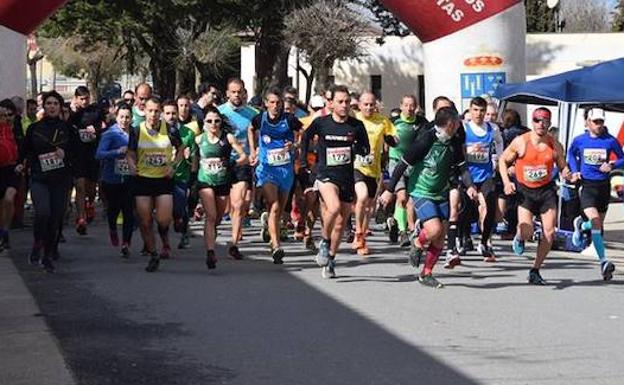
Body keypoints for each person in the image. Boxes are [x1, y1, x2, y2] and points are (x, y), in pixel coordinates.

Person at [379, 106, 477, 288]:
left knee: (440, 236)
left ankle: (426, 274)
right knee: (433, 230)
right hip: (421, 190)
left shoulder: (454, 140)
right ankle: (417, 242)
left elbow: (462, 166)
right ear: (448, 124)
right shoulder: (426, 140)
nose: (458, 126)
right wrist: (389, 189)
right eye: (455, 123)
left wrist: (470, 186)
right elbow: (402, 164)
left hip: (441, 191)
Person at [300, 85, 370, 278]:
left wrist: (362, 151)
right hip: (325, 174)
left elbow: (365, 147)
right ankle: (324, 240)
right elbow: (305, 137)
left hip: (346, 176)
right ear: (330, 104)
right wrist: (304, 161)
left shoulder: (356, 126)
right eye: (340, 101)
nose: (344, 105)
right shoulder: (322, 123)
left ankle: (330, 258)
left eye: (347, 102)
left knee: (341, 223)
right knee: (333, 207)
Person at [499, 107, 571, 285]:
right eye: (537, 120)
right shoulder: (521, 142)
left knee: (549, 232)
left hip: (546, 191)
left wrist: (568, 174)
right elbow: (502, 160)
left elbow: (563, 166)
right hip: (525, 191)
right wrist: (507, 182)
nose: (541, 124)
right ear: (532, 122)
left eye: (545, 120)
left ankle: (535, 269)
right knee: (527, 231)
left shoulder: (555, 145)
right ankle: (520, 236)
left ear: (549, 123)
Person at [17, 91, 74, 273]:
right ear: (44, 106)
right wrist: (20, 164)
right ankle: (37, 241)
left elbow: (76, 154)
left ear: (60, 107)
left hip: (60, 180)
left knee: (55, 217)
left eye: (55, 104)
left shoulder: (67, 129)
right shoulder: (34, 129)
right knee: (43, 213)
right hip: (39, 178)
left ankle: (48, 255)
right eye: (48, 103)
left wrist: (66, 155)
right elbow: (24, 151)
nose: (51, 107)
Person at [127, 97, 184, 272]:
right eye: (150, 111)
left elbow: (182, 149)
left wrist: (173, 166)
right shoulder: (136, 131)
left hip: (163, 180)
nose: (153, 114)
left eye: (156, 111)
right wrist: (131, 165)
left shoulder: (171, 130)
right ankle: (153, 254)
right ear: (144, 111)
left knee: (163, 220)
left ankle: (164, 236)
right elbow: (129, 153)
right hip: (143, 179)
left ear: (160, 112)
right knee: (145, 221)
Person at [568, 108, 624, 281]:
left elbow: (623, 157)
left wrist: (613, 165)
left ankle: (580, 225)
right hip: (587, 186)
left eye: (601, 122)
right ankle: (603, 261)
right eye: (595, 122)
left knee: (596, 226)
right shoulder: (580, 140)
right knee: (596, 221)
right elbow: (570, 154)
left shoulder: (609, 141)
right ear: (587, 122)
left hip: (603, 187)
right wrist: (575, 171)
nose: (599, 125)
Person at [249, 87, 302, 263]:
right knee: (274, 205)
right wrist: (253, 151)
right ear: (266, 104)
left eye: (278, 103)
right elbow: (250, 129)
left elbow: (302, 132)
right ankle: (277, 245)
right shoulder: (260, 118)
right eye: (272, 102)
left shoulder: (289, 119)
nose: (276, 106)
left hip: (285, 169)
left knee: (279, 210)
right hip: (267, 168)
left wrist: (294, 145)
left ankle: (271, 233)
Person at [196, 107, 247, 269]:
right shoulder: (199, 139)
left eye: (216, 121)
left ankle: (211, 237)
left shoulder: (228, 138)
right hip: (204, 181)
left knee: (217, 217)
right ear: (204, 123)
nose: (213, 124)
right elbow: (188, 154)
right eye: (209, 121)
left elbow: (244, 156)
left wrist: (233, 163)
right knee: (210, 216)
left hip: (223, 182)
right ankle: (210, 252)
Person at [352, 91, 398, 256]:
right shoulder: (354, 119)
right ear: (359, 105)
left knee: (369, 209)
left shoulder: (382, 121)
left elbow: (393, 135)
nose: (369, 107)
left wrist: (393, 140)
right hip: (357, 166)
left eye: (372, 104)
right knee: (362, 197)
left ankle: (362, 238)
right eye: (366, 104)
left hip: (375, 169)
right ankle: (357, 232)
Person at [218, 78, 258, 259]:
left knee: (240, 202)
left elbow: (258, 136)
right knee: (222, 209)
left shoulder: (253, 113)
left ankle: (234, 242)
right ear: (227, 93)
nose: (236, 95)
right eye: (233, 92)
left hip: (242, 163)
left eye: (239, 91)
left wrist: (255, 153)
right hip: (223, 163)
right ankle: (226, 224)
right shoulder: (219, 112)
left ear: (244, 92)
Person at [461, 97, 504, 262]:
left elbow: (499, 142)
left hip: (486, 175)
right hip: (468, 175)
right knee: (465, 210)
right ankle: (464, 237)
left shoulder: (492, 129)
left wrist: (499, 158)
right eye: (475, 110)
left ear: (486, 112)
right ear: (470, 111)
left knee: (489, 206)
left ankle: (485, 241)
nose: (478, 114)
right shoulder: (464, 128)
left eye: (481, 111)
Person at [386, 95, 427, 246]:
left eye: (412, 106)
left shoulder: (422, 123)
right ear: (401, 106)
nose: (409, 109)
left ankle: (399, 224)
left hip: (414, 164)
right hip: (397, 162)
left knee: (411, 201)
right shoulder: (393, 122)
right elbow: (385, 138)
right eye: (406, 105)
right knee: (402, 196)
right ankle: (403, 232)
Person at [95, 103, 135, 257]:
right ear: (116, 117)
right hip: (111, 179)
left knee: (129, 211)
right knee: (113, 209)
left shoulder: (135, 132)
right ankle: (112, 227)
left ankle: (126, 243)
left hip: (130, 178)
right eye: (122, 117)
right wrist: (116, 152)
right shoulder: (110, 134)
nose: (124, 120)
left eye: (127, 117)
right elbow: (99, 154)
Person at [69, 86, 104, 235]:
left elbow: (103, 125)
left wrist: (96, 129)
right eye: (81, 99)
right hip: (78, 154)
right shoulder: (71, 113)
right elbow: (67, 125)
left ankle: (89, 203)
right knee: (80, 185)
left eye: (86, 98)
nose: (84, 101)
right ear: (76, 98)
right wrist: (72, 112)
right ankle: (81, 217)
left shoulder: (95, 111)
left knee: (90, 187)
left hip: (93, 154)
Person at [163, 99, 196, 251]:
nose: (171, 116)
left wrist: (189, 158)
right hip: (160, 176)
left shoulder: (187, 133)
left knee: (178, 209)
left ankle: (182, 228)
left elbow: (194, 156)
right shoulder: (156, 132)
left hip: (180, 175)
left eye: (173, 113)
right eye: (167, 113)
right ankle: (161, 243)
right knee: (161, 212)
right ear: (162, 114)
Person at [0, 100, 20, 251]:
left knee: (9, 197)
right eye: (2, 115)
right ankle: (3, 232)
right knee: (2, 203)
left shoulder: (18, 127)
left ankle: (6, 229)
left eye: (9, 114)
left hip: (13, 169)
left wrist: (22, 163)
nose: (6, 117)